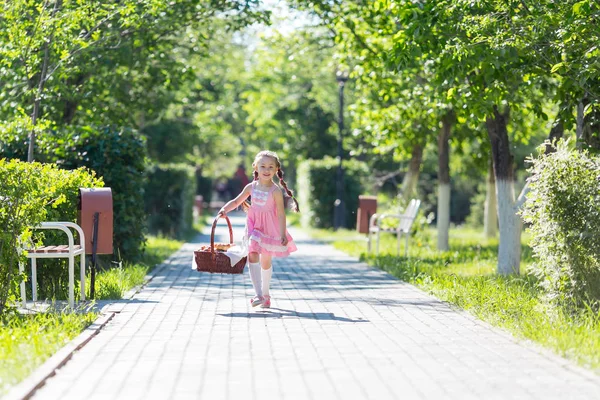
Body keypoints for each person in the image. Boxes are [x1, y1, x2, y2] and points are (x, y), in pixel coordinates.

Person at [217, 150, 299, 309]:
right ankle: (258, 294)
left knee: (266, 260)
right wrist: (224, 210)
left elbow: (281, 214)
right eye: (263, 166)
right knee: (252, 253)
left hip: (270, 228)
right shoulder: (251, 187)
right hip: (254, 227)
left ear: (276, 170)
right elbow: (235, 201)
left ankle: (266, 294)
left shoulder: (275, 191)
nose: (266, 170)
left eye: (270, 167)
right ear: (255, 168)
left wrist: (282, 234)